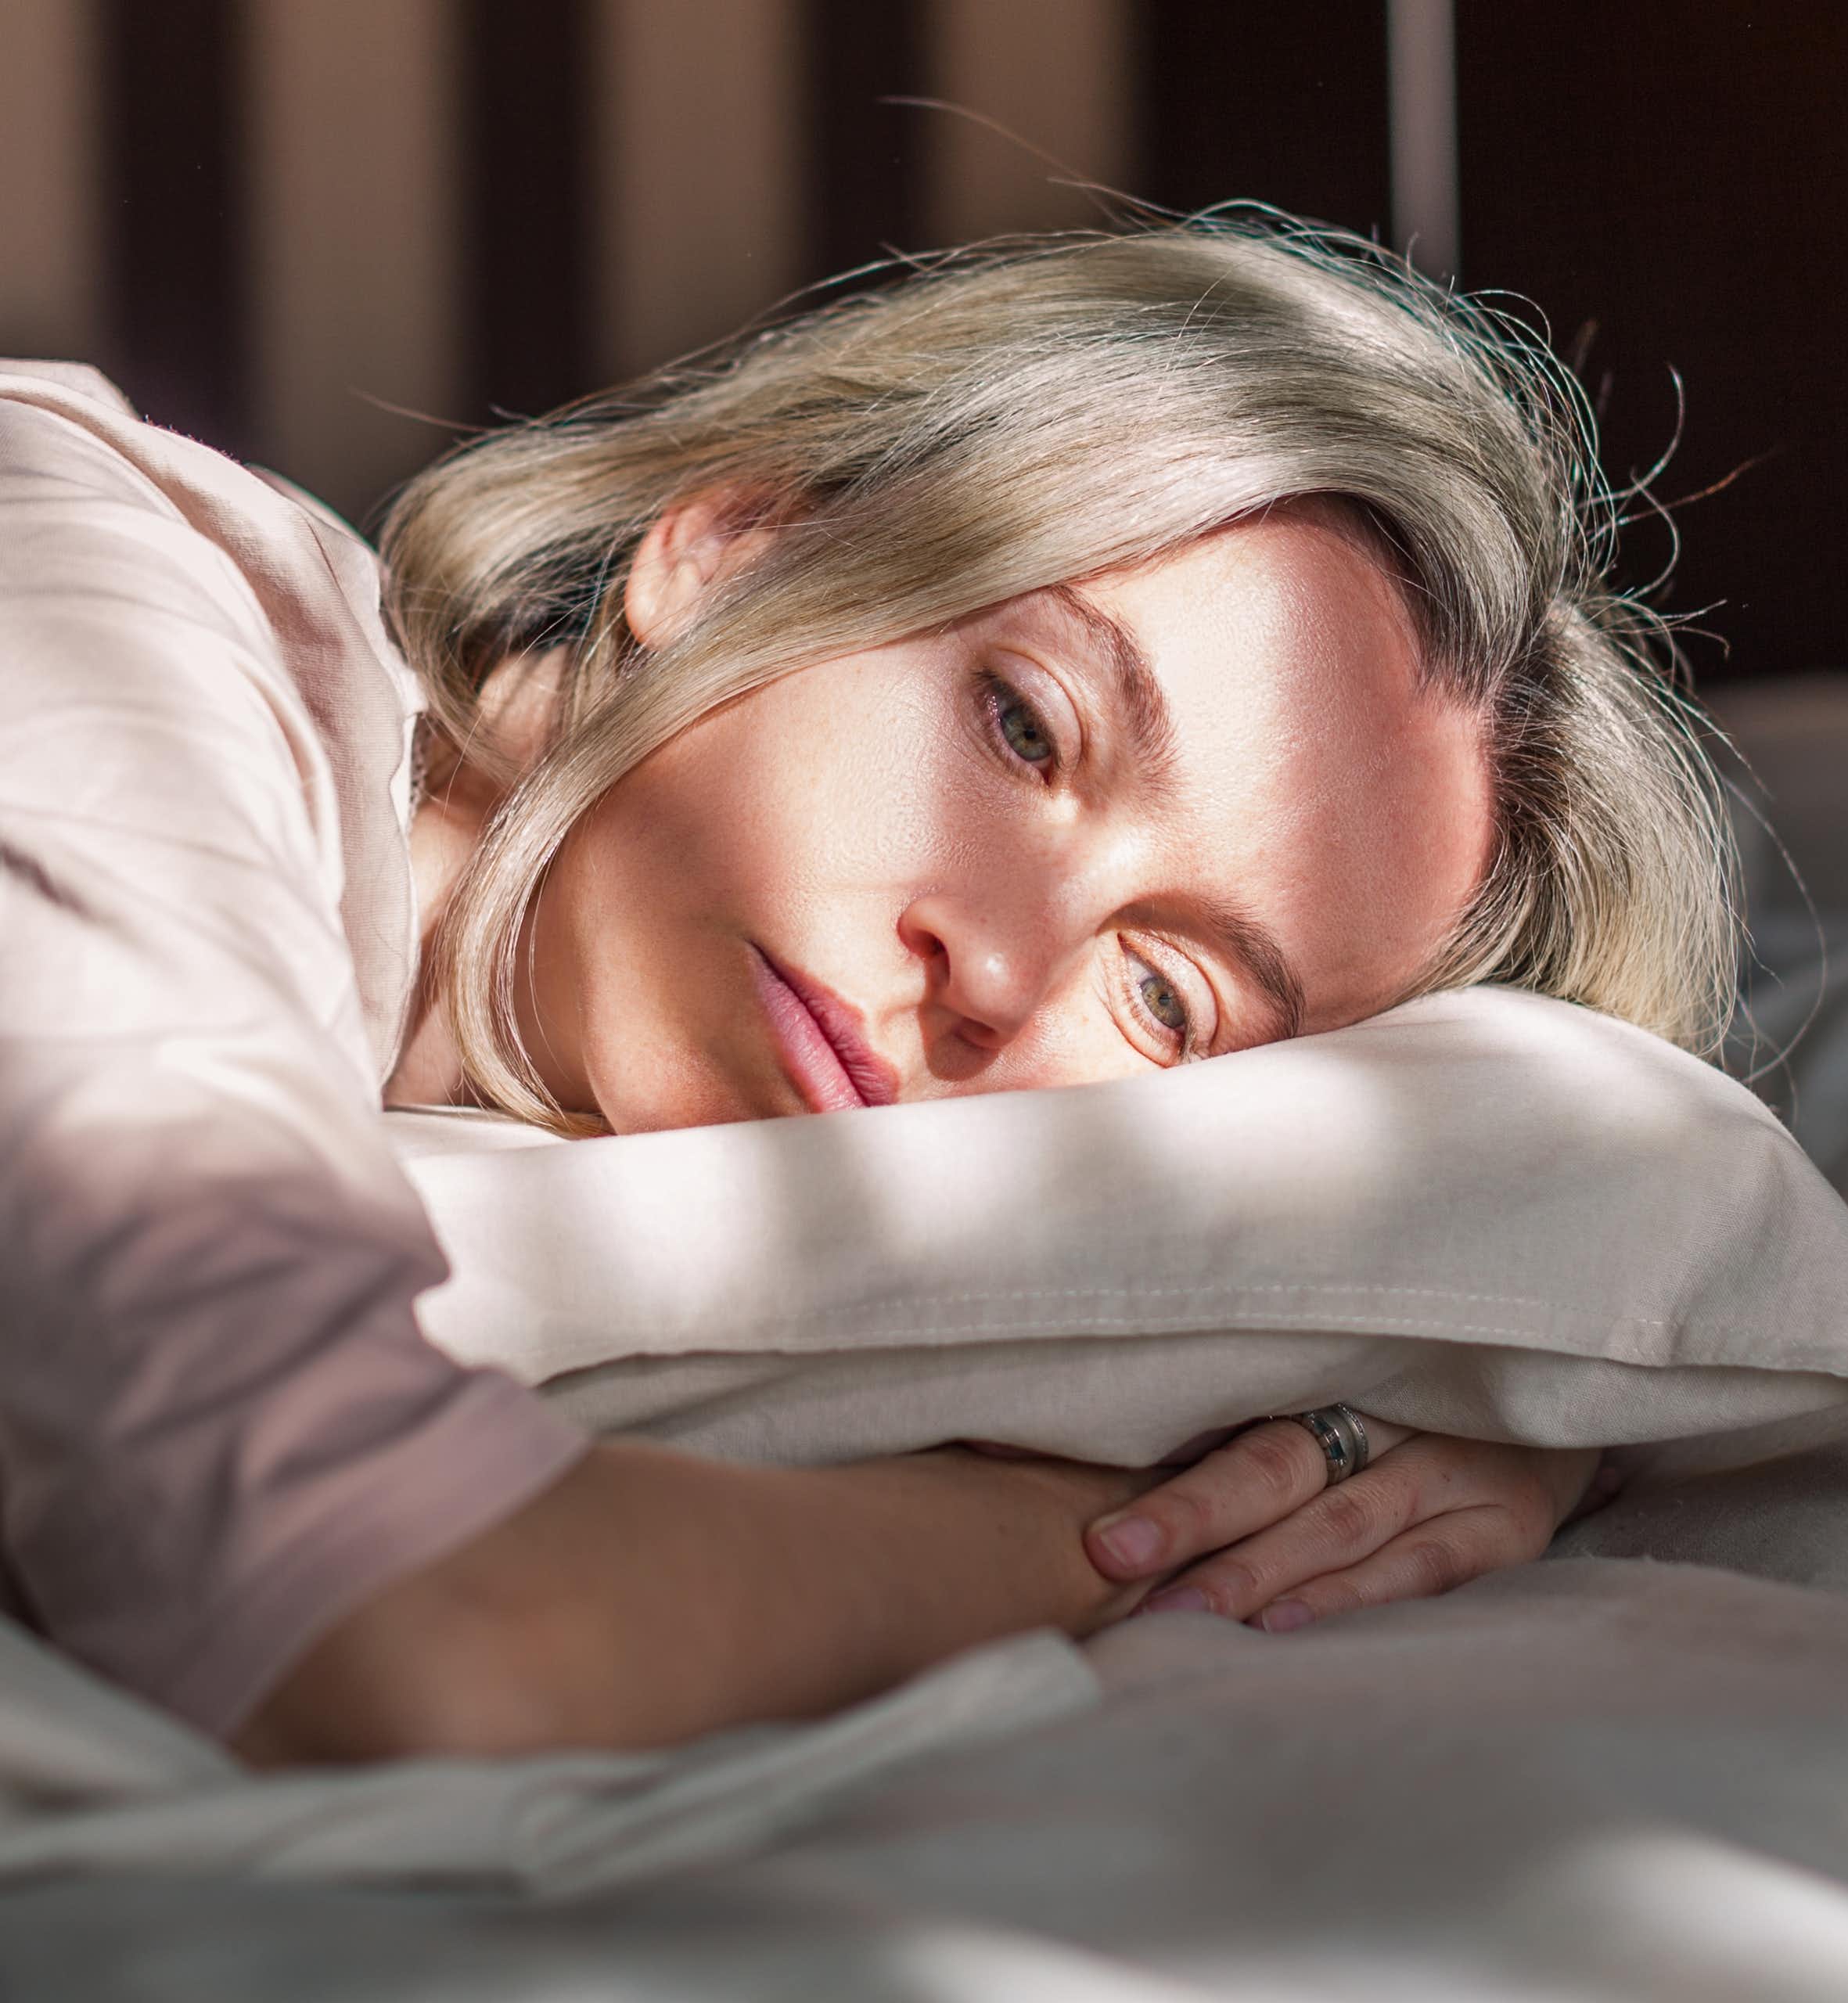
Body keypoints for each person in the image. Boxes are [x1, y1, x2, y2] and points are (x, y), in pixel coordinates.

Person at [0, 214, 1732, 1768]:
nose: (1000, 972)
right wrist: (1121, 1524)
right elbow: (414, 1643)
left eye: (1165, 998)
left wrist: (1463, 1392)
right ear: (736, 543)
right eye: (1026, 726)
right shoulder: (90, 607)